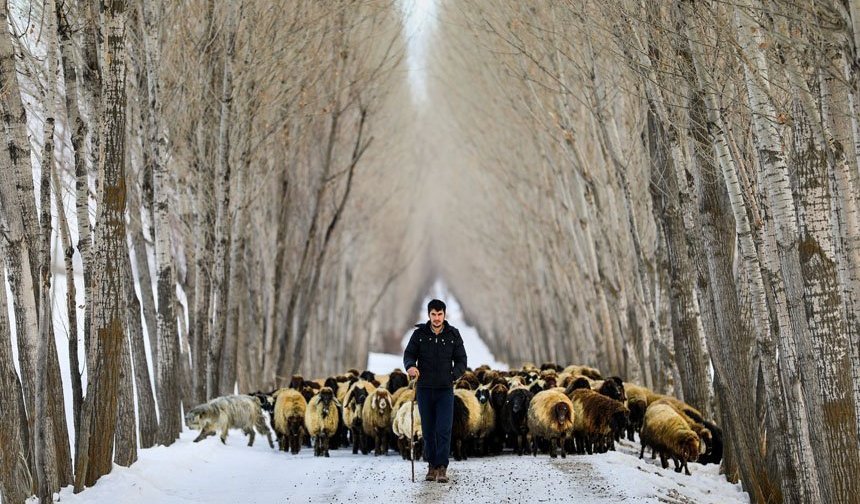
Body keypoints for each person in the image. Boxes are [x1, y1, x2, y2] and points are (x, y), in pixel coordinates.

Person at [403, 299, 467, 484]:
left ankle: (442, 467)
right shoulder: (419, 334)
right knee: (428, 430)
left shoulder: (453, 335)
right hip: (424, 389)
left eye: (440, 314)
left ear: (444, 315)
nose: (437, 318)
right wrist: (410, 367)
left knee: (444, 429)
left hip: (445, 390)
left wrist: (453, 375)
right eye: (433, 314)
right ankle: (431, 465)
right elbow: (409, 355)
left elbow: (462, 360)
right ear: (429, 315)